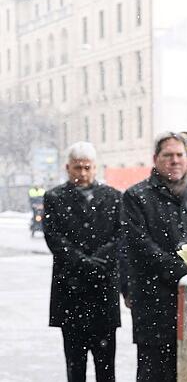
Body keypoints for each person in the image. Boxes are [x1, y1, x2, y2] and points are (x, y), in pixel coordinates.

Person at [122, 132, 187, 382]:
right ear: (155, 159)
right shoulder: (135, 197)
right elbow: (141, 248)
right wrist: (185, 273)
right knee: (154, 373)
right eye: (168, 155)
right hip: (154, 306)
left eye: (180, 155)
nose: (175, 160)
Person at [43, 142, 122, 382]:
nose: (83, 173)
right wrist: (83, 262)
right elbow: (54, 238)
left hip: (103, 292)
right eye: (78, 168)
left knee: (106, 366)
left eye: (87, 167)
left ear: (96, 167)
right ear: (68, 167)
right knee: (75, 366)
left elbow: (120, 236)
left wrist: (98, 260)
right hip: (70, 292)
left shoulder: (114, 197)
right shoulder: (54, 197)